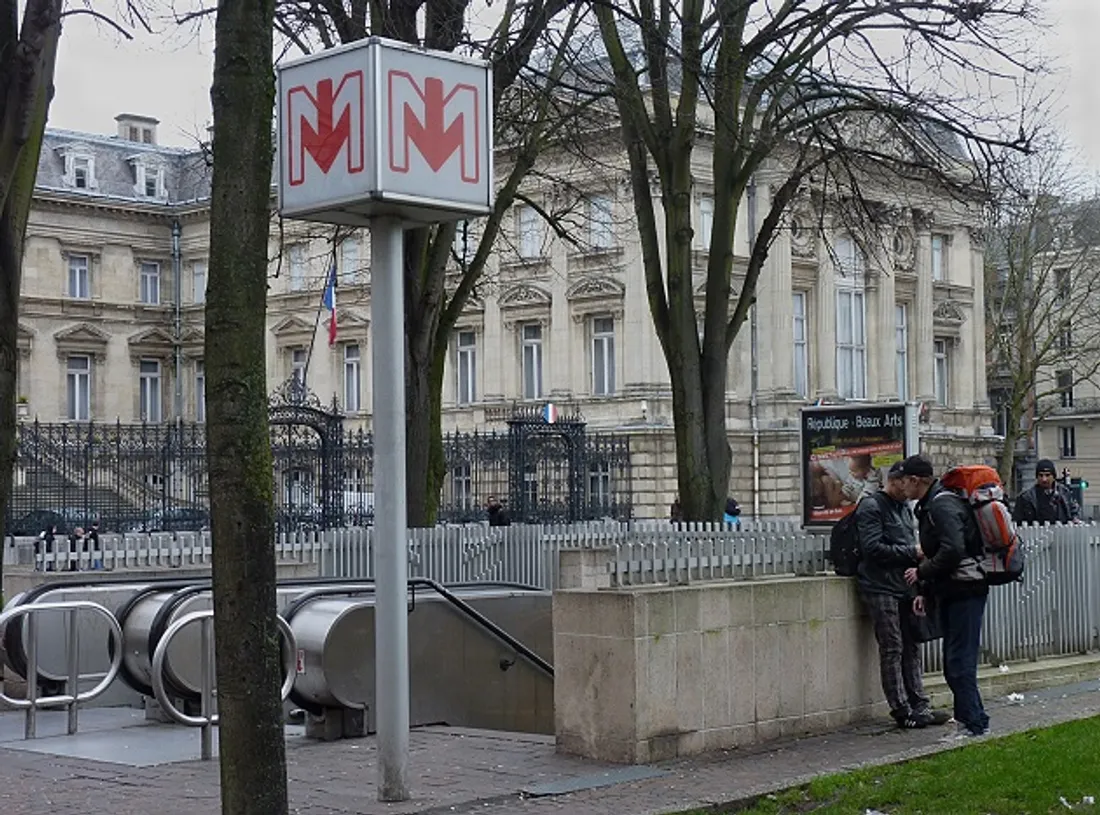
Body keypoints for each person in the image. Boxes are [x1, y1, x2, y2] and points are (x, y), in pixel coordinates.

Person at [900, 454, 990, 739]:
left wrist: (922, 573)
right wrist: (925, 592)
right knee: (955, 662)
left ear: (916, 481)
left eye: (904, 481)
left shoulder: (942, 505)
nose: (902, 487)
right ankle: (975, 720)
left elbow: (952, 550)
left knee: (958, 662)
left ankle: (972, 725)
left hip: (965, 590)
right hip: (955, 590)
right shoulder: (933, 505)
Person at [855, 461, 941, 729]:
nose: (910, 491)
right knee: (892, 646)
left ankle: (920, 704)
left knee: (911, 645)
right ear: (895, 480)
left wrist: (917, 586)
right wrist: (911, 553)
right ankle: (901, 708)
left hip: (904, 585)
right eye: (907, 483)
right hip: (880, 585)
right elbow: (872, 548)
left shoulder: (904, 507)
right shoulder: (871, 506)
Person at [1012, 459, 1080, 525]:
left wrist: (1075, 520)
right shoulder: (1025, 497)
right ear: (1037, 477)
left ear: (1053, 477)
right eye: (1041, 475)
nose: (1044, 479)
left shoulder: (1065, 493)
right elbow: (1017, 522)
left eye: (1047, 475)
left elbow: (1073, 512)